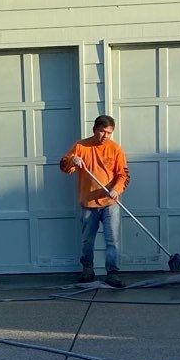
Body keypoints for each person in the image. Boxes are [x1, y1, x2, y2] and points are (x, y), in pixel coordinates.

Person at [62, 115, 130, 287]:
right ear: (95, 129)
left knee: (112, 239)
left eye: (109, 132)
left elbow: (123, 175)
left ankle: (112, 273)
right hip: (88, 204)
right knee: (87, 240)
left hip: (110, 203)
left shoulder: (115, 149)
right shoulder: (81, 146)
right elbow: (64, 166)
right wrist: (73, 160)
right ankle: (87, 270)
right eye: (102, 131)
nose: (105, 135)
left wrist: (117, 189)